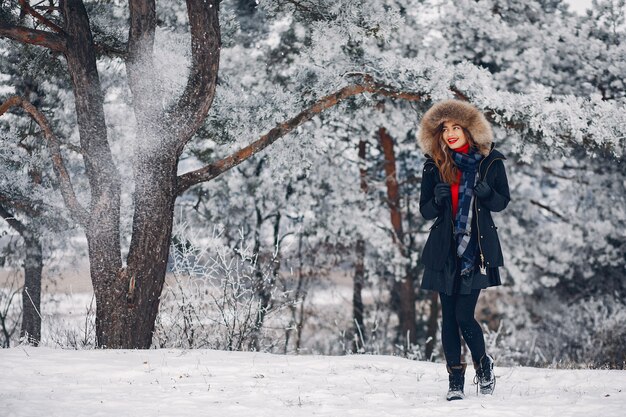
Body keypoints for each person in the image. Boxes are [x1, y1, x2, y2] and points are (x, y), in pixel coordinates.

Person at [417, 99, 510, 401]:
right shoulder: (434, 164)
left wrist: (485, 191)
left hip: (476, 251)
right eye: (445, 129)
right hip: (445, 250)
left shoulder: (490, 162)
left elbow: (501, 202)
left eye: (456, 127)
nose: (450, 134)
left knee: (463, 315)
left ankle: (483, 365)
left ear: (470, 130)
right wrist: (438, 199)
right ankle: (455, 380)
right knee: (448, 317)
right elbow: (425, 211)